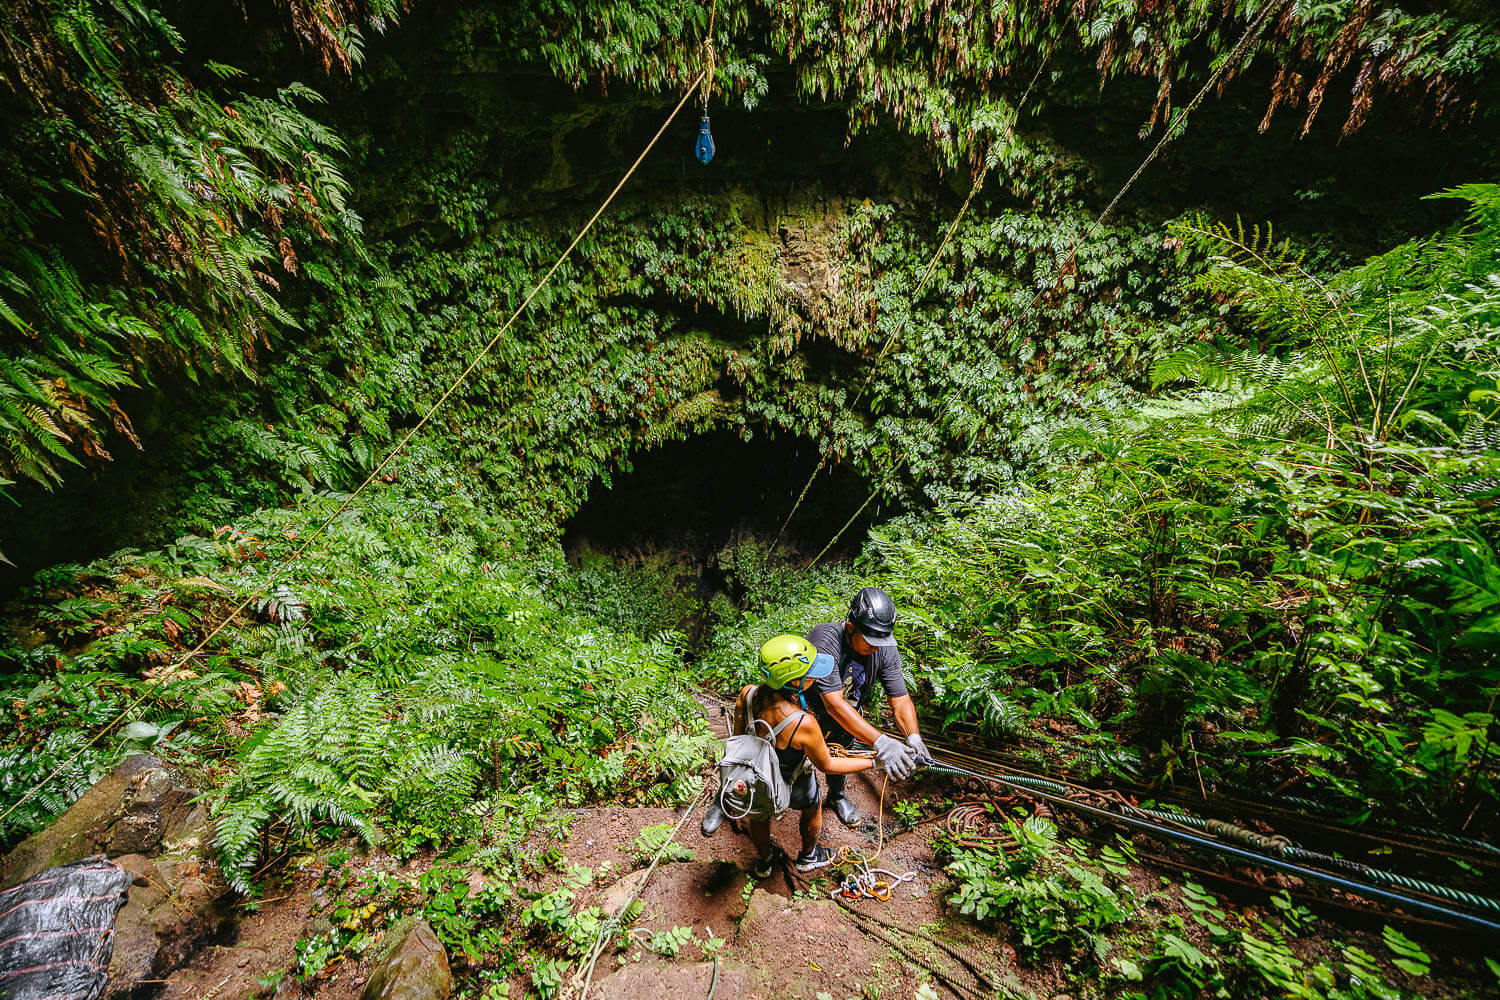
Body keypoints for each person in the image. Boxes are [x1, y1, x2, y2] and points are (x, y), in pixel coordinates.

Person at [720, 634, 878, 876]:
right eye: (809, 672)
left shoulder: (748, 695)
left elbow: (740, 739)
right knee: (813, 806)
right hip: (791, 782)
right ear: (795, 682)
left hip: (754, 777)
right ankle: (808, 857)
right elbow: (827, 764)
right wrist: (871, 762)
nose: (815, 676)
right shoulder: (803, 722)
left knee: (758, 815)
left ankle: (765, 862)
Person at [805, 586, 928, 825]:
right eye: (870, 641)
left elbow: (900, 699)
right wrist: (881, 742)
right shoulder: (825, 639)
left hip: (848, 717)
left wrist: (913, 737)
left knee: (843, 752)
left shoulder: (884, 648)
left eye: (882, 641)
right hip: (811, 713)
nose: (876, 647)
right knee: (799, 763)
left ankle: (837, 796)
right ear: (851, 628)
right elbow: (833, 704)